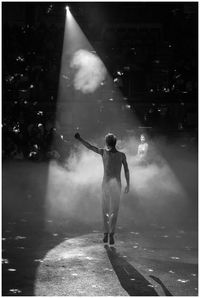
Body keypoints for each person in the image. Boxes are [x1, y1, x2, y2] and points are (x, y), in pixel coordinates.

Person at [74, 132, 130, 245]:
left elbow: (90, 147)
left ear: (107, 143)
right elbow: (126, 170)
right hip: (116, 185)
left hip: (106, 184)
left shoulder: (103, 152)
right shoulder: (122, 155)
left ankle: (106, 233)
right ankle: (111, 234)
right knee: (114, 210)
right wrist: (128, 184)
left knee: (105, 209)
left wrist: (80, 139)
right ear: (115, 143)